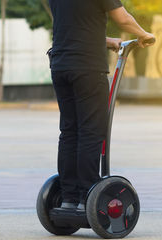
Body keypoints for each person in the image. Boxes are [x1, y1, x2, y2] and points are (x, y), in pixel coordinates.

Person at [48, 0, 155, 210]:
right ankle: (87, 195)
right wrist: (144, 34)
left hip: (61, 66)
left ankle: (69, 197)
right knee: (91, 131)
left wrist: (106, 41)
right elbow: (123, 18)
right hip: (87, 68)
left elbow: (71, 26)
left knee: (69, 132)